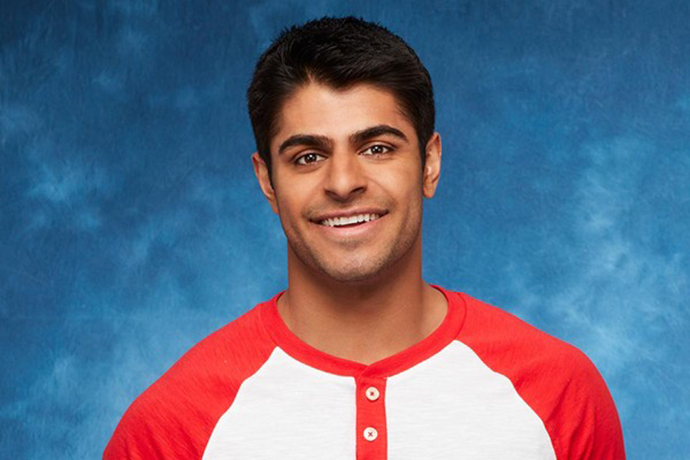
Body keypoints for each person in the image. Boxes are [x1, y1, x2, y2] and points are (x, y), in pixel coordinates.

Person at [104, 16, 626, 459]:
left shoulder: (558, 392)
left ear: (430, 163)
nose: (343, 182)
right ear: (267, 182)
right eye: (308, 156)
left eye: (377, 148)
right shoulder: (173, 425)